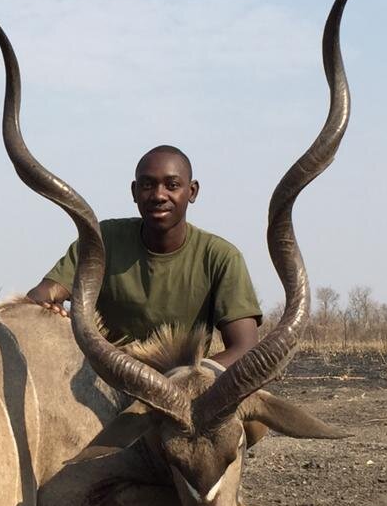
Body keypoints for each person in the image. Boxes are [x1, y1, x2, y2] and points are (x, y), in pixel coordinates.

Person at [27, 145, 261, 368]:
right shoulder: (103, 240)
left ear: (192, 191)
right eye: (148, 185)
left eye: (172, 185)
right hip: (105, 379)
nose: (159, 195)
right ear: (134, 191)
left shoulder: (221, 257)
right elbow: (42, 293)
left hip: (181, 389)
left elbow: (245, 348)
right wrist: (49, 309)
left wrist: (189, 377)